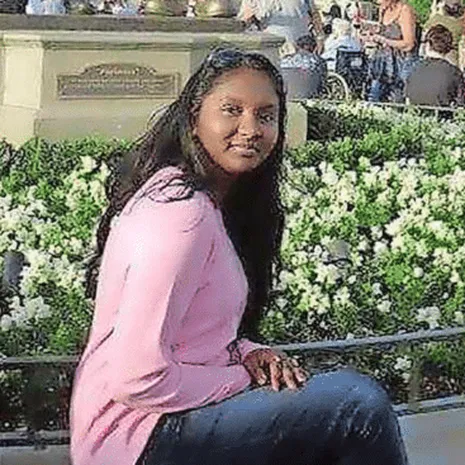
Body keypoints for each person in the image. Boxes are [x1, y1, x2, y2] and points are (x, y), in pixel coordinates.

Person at [69, 47, 410, 465]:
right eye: (232, 110)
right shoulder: (179, 214)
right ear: (194, 118)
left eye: (265, 116)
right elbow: (137, 377)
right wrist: (240, 376)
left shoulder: (204, 199)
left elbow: (193, 335)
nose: (250, 129)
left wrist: (246, 351)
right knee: (356, 406)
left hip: (167, 417)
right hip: (137, 437)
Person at [366, 0, 419, 102]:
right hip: (382, 64)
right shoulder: (383, 9)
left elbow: (409, 44)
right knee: (373, 97)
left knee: (396, 100)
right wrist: (372, 35)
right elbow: (385, 32)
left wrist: (384, 40)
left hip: (401, 65)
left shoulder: (405, 11)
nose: (377, 1)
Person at [406, 24, 464, 106]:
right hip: (442, 112)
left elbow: (407, 96)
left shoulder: (414, 69)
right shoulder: (454, 72)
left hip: (415, 112)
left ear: (428, 45)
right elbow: (461, 102)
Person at [237, 0, 326, 53]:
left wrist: (320, 38)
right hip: (271, 51)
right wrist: (247, 19)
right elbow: (243, 23)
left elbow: (314, 14)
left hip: (300, 51)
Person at [423, 0, 464, 66]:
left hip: (432, 55)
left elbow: (425, 30)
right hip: (451, 58)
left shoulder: (436, 19)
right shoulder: (459, 25)